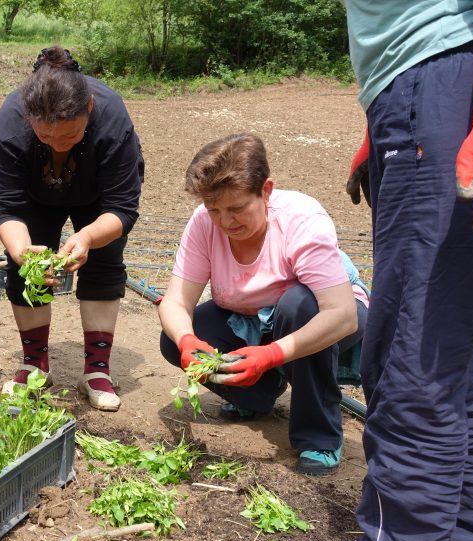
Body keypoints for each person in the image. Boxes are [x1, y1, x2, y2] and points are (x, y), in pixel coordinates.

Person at [292, 3, 473, 541]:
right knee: (457, 344)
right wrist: (386, 116)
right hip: (425, 91)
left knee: (412, 343)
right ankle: (465, 534)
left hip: (435, 84)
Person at [157, 133, 368, 476]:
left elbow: (342, 315)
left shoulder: (300, 219)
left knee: (298, 307)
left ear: (266, 190)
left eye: (237, 208)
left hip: (323, 315)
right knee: (174, 336)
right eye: (214, 210)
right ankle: (257, 395)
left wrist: (270, 355)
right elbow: (176, 301)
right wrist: (187, 341)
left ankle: (319, 436)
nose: (225, 222)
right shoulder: (203, 223)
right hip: (253, 319)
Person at [0, 46, 143, 412]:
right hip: (34, 195)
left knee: (104, 261)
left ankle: (97, 369)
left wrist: (87, 236)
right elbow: (7, 206)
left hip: (97, 194)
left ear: (89, 108)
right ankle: (35, 365)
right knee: (27, 267)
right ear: (29, 118)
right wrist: (21, 251)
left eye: (70, 136)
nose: (57, 144)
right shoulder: (10, 123)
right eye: (45, 136)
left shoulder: (112, 118)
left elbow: (122, 208)